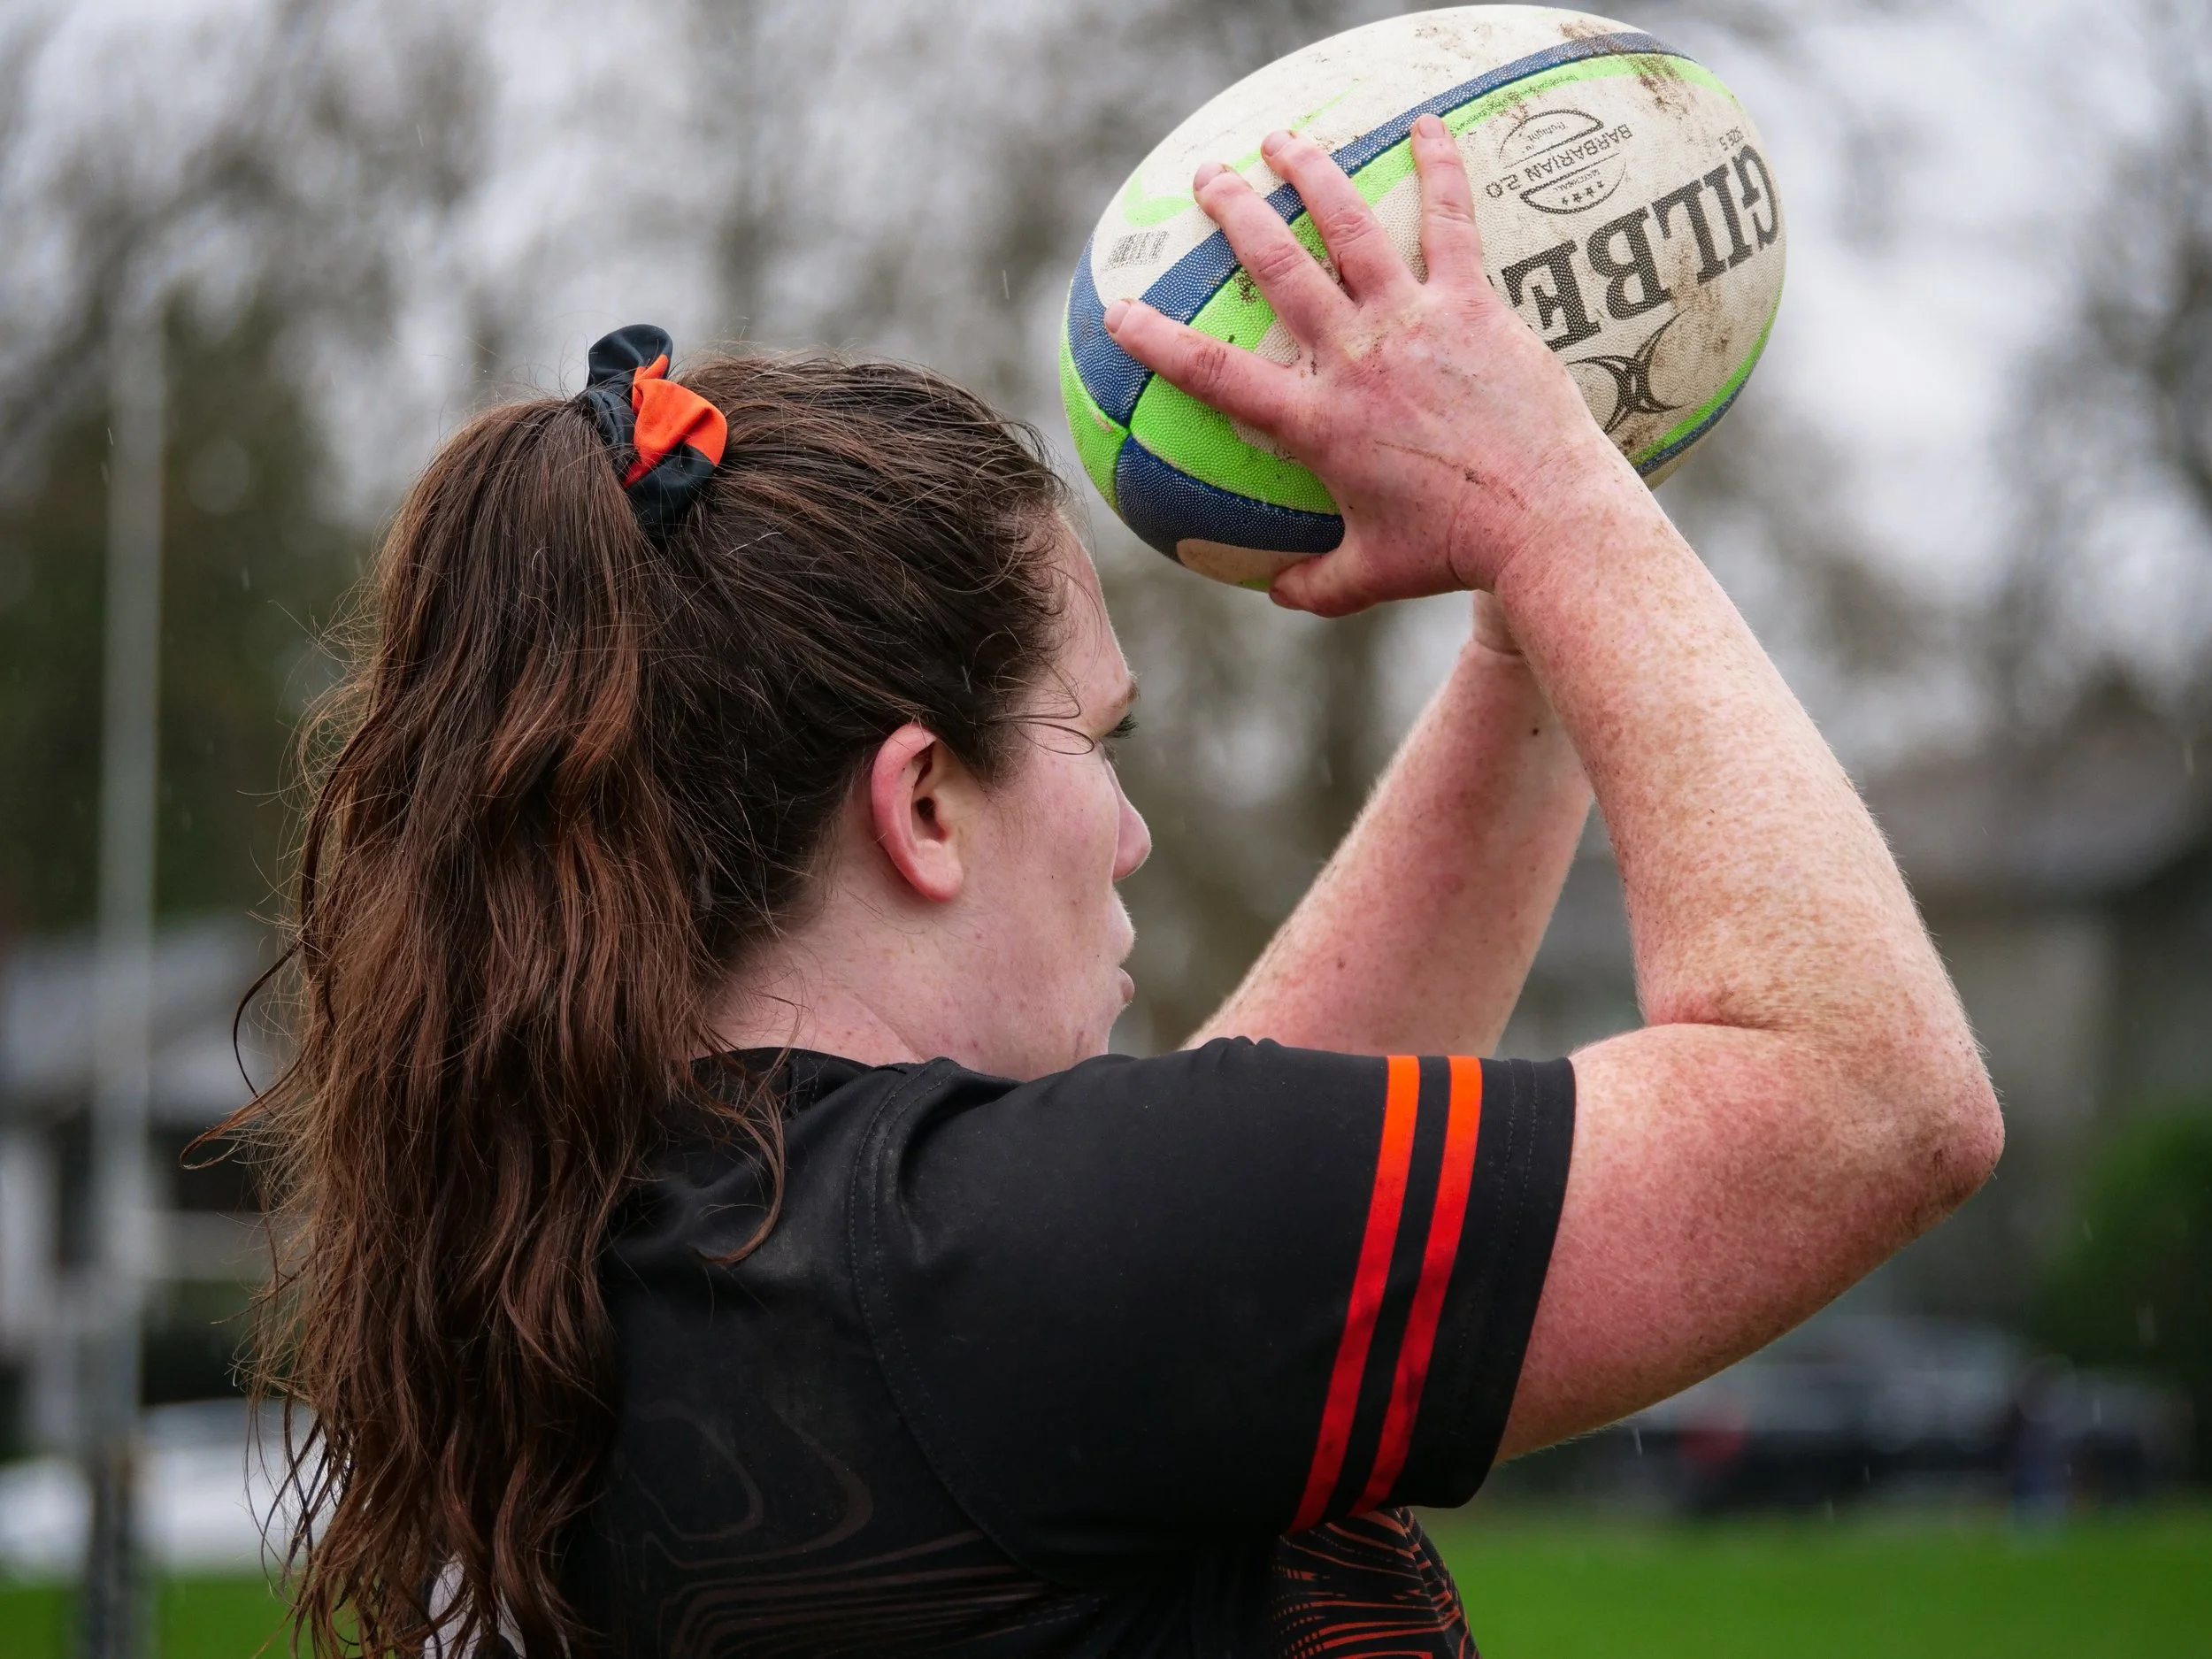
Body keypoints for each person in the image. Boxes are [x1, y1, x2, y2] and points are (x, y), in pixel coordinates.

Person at [234, 116, 2001, 1658]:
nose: (1131, 832)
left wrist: (1524, 632)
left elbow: (1196, 1224)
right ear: (923, 801)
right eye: (1102, 740)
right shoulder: (980, 1281)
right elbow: (1866, 1101)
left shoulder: (663, 1257)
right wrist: (1550, 503)